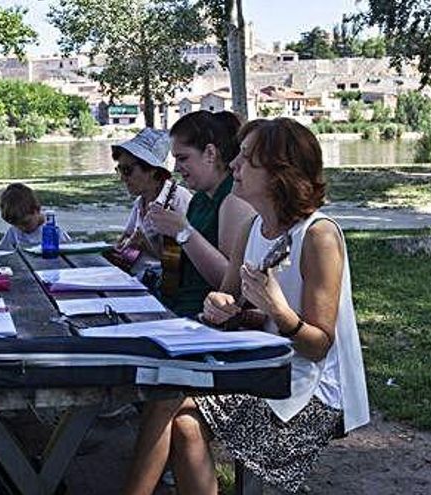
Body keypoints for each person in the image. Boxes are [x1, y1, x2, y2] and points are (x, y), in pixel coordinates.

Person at [124, 118, 370, 494]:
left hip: (312, 392)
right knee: (178, 413)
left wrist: (278, 310)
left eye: (246, 158)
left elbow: (319, 345)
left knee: (167, 401)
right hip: (264, 368)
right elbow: (228, 305)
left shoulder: (318, 235)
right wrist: (222, 308)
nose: (234, 164)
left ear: (278, 173)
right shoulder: (251, 228)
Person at [145, 110, 255, 317]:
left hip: (201, 319)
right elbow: (181, 264)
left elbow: (231, 286)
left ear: (210, 153)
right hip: (175, 308)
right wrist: (159, 234)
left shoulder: (233, 201)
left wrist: (182, 231)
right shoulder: (200, 200)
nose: (177, 168)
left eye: (183, 158)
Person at [108, 128, 193, 281]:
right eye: (119, 170)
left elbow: (185, 262)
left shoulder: (179, 200)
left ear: (152, 170)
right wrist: (124, 246)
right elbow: (126, 240)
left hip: (161, 287)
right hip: (136, 279)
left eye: (127, 170)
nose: (122, 178)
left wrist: (145, 243)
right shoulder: (140, 202)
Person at [0, 182, 71, 250]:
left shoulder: (52, 231)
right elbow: (1, 251)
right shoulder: (13, 231)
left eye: (26, 223)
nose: (22, 228)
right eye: (16, 225)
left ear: (36, 210)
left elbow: (69, 250)